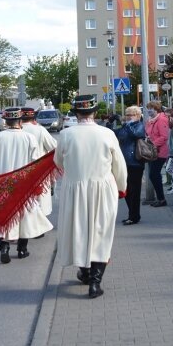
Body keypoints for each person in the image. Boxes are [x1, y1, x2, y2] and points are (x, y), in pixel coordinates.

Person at [54, 94, 127, 298]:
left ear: (76, 113)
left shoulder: (66, 134)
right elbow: (119, 165)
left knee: (79, 231)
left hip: (75, 189)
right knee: (100, 233)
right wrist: (122, 186)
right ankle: (95, 282)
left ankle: (85, 272)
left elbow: (58, 162)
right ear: (94, 112)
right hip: (102, 189)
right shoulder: (107, 133)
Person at [0, 107, 50, 264]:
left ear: (5, 121)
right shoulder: (29, 138)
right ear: (20, 121)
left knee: (4, 215)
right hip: (23, 184)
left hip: (2, 183)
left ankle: (4, 247)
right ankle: (22, 249)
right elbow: (36, 163)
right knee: (24, 216)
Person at [20, 106, 57, 235]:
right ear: (33, 117)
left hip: (18, 171)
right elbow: (54, 147)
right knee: (38, 200)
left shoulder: (14, 130)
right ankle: (38, 229)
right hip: (38, 170)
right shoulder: (40, 130)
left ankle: (19, 229)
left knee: (21, 201)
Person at [115, 105, 146, 224]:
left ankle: (134, 216)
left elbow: (136, 135)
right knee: (126, 189)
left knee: (135, 191)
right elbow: (115, 134)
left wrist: (128, 125)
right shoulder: (125, 126)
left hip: (135, 162)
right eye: (127, 115)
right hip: (124, 161)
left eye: (131, 115)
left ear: (137, 116)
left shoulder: (139, 125)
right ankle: (132, 214)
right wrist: (108, 123)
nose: (128, 117)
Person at [145, 101, 170, 207]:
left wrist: (153, 144)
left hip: (159, 151)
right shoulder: (151, 121)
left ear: (156, 109)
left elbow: (164, 137)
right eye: (148, 108)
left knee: (154, 175)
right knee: (154, 175)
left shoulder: (161, 120)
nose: (149, 110)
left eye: (151, 108)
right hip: (152, 152)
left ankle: (161, 199)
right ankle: (160, 198)